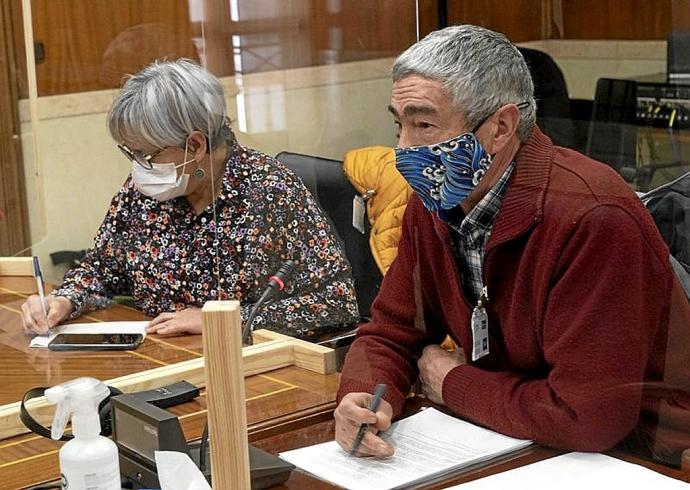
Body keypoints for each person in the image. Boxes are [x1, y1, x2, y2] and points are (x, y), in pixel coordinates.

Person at [335, 25, 690, 465]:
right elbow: (391, 332)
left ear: (501, 127)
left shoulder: (592, 216)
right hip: (517, 434)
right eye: (398, 123)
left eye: (423, 124)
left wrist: (452, 383)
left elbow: (588, 416)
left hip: (644, 456)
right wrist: (365, 396)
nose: (404, 148)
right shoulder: (436, 200)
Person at [21, 59, 359, 341]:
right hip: (160, 359)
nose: (139, 168)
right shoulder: (145, 193)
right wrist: (64, 300)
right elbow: (103, 267)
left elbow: (337, 303)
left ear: (196, 146)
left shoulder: (269, 191)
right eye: (131, 154)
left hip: (246, 372)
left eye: (146, 155)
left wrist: (225, 320)